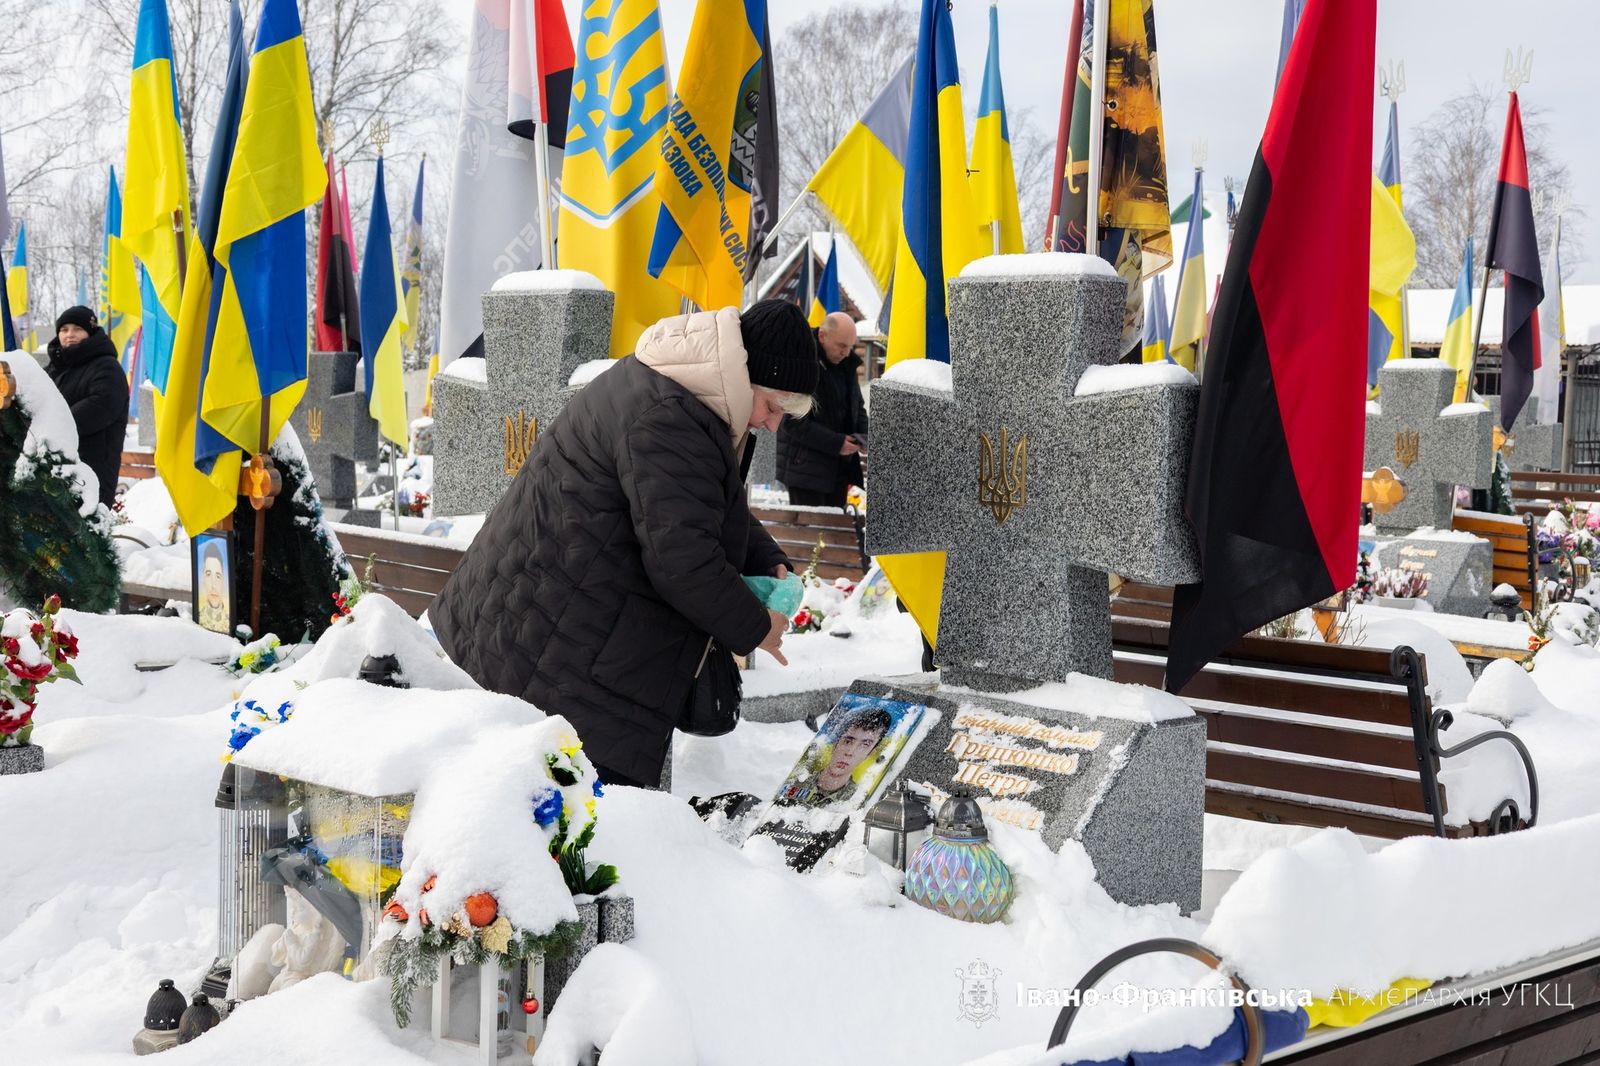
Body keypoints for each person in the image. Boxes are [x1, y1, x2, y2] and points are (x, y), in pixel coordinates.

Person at [430, 300, 821, 788]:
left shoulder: (672, 388)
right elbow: (682, 561)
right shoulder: (672, 418)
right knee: (570, 816)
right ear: (745, 378)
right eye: (773, 406)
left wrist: (766, 558)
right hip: (558, 647)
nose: (772, 424)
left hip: (542, 626)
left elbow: (696, 502)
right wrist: (756, 626)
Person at [776, 311, 866, 508]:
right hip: (805, 471)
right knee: (813, 527)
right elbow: (792, 421)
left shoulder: (847, 364)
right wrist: (837, 443)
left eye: (851, 347)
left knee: (835, 526)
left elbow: (856, 407)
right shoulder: (800, 361)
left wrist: (864, 436)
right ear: (822, 336)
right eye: (841, 345)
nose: (846, 353)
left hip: (838, 470)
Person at [44, 306, 128, 509]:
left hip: (91, 469)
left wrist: (49, 427)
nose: (69, 335)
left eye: (77, 329)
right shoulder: (54, 369)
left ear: (90, 332)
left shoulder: (107, 366)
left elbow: (101, 405)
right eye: (64, 330)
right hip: (53, 468)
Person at [778, 705, 892, 809]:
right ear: (835, 745)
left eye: (865, 745)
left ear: (870, 753)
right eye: (848, 741)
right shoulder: (795, 783)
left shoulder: (858, 802)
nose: (850, 752)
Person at [197, 541, 230, 633]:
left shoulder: (229, 622)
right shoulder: (198, 618)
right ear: (203, 579)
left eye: (218, 576)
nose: (213, 585)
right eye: (208, 574)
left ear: (223, 580)